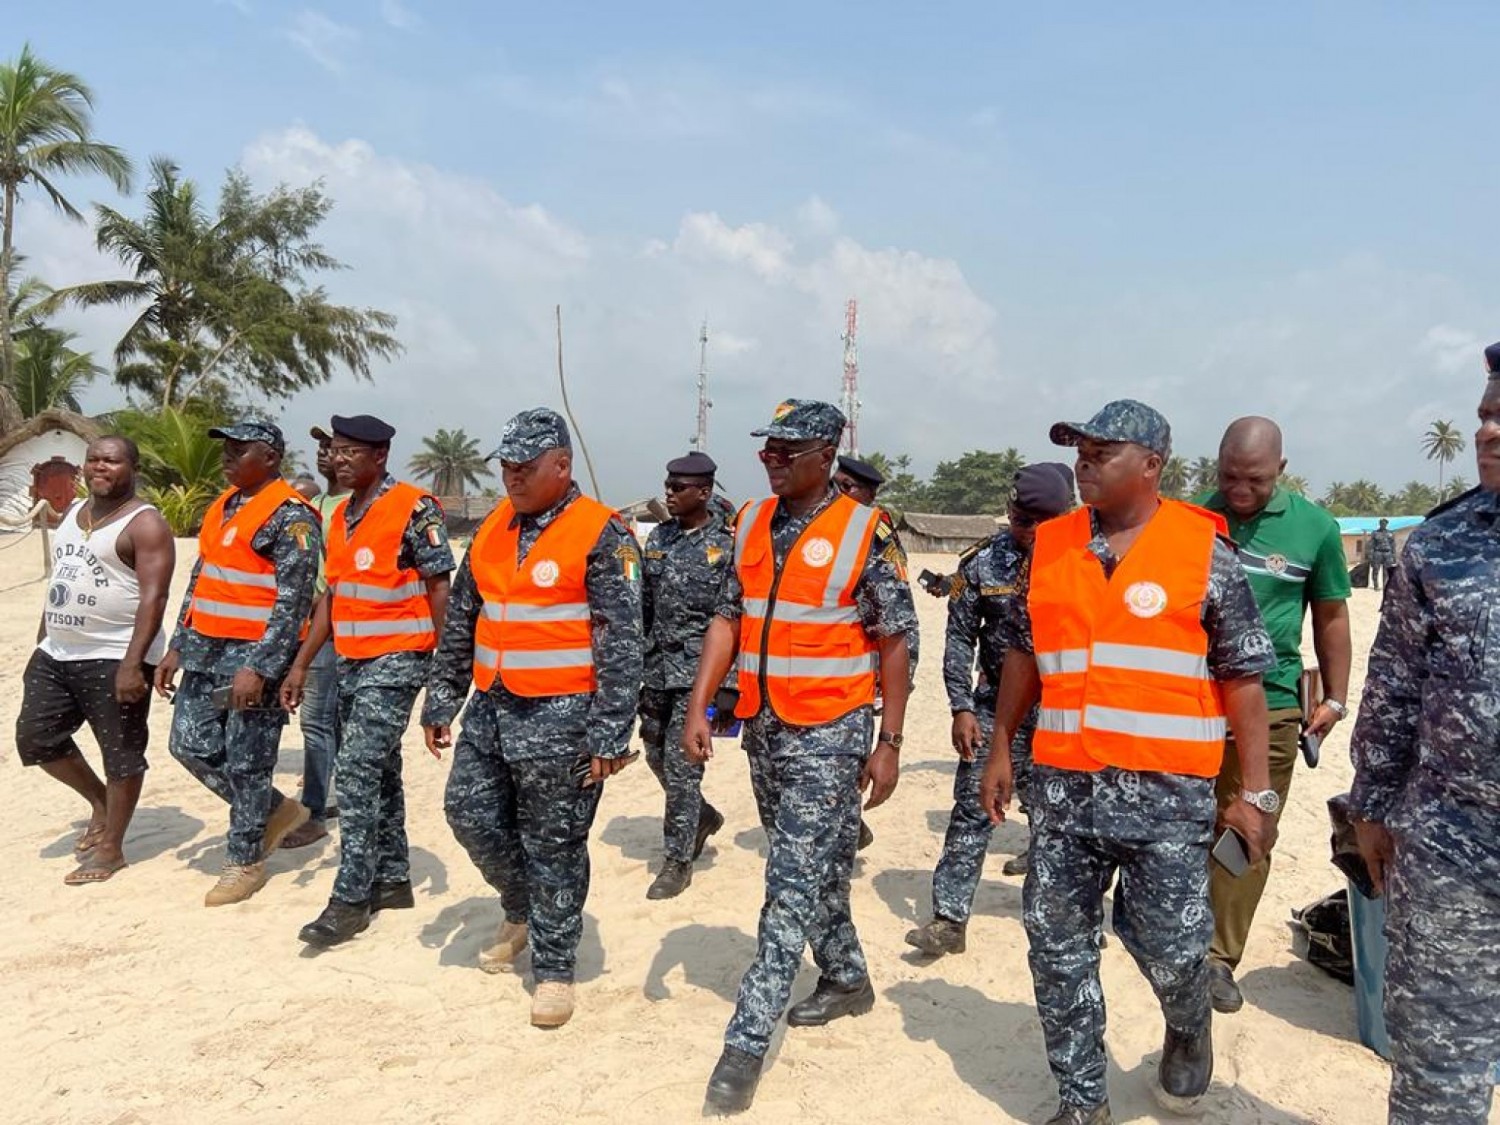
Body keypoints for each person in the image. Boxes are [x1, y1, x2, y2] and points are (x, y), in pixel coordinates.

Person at [978, 399, 1277, 1125]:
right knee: (1056, 947)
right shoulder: (1049, 546)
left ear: (1152, 466)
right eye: (1079, 450)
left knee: (1171, 948)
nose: (1084, 462)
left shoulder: (1204, 551)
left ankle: (1187, 1021)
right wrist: (998, 744)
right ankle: (1083, 1102)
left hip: (1167, 798)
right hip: (1064, 791)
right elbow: (1024, 651)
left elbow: (1244, 679)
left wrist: (1257, 795)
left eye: (1101, 451)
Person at [681, 399, 917, 1115]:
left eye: (787, 450)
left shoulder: (865, 530)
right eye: (767, 450)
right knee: (815, 868)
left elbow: (897, 638)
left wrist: (890, 741)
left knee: (788, 881)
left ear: (827, 454)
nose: (772, 460)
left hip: (833, 729)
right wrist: (699, 702)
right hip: (765, 725)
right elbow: (730, 616)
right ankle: (846, 975)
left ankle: (747, 1038)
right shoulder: (749, 521)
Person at [423, 408, 643, 1028]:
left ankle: (553, 969)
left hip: (565, 716)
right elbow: (464, 616)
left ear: (561, 465)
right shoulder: (494, 526)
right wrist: (443, 698)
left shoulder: (604, 534)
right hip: (492, 707)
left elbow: (623, 642)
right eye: (506, 468)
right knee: (467, 813)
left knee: (556, 845)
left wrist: (609, 732)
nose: (512, 479)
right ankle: (521, 906)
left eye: (525, 468)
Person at [1349, 351, 1500, 1125]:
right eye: (1481, 413)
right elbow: (1395, 687)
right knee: (1439, 1070)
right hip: (1454, 847)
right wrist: (1371, 804)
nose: (1488, 430)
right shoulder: (1440, 545)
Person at [1195, 417, 1352, 1013]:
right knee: (1185, 819)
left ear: (1281, 471)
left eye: (1254, 480)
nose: (1238, 490)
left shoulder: (1315, 528)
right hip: (1188, 704)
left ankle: (1217, 956)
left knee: (1248, 825)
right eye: (1228, 476)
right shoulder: (1186, 518)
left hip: (1276, 705)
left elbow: (1332, 617)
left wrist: (1334, 698)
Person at [282, 415, 453, 946]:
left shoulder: (414, 508)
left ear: (379, 456)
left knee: (354, 772)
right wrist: (302, 662)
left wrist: (445, 674)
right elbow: (332, 597)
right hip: (352, 661)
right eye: (334, 451)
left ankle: (351, 898)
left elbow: (439, 589)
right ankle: (394, 877)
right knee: (380, 771)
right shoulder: (340, 517)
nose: (337, 459)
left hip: (399, 660)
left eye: (350, 451)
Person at [905, 463, 1074, 956]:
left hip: (1066, 710)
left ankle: (1062, 922)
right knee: (973, 810)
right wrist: (961, 707)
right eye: (1024, 520)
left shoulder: (1090, 562)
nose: (1034, 532)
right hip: (996, 704)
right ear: (1009, 511)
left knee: (1060, 819)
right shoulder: (980, 565)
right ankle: (949, 919)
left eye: (1047, 522)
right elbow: (958, 639)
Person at [154, 421, 322, 907]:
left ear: (269, 457)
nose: (227, 457)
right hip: (205, 650)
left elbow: (293, 603)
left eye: (239, 449)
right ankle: (276, 810)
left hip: (252, 658)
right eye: (225, 448)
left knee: (249, 761)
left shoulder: (292, 517)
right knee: (188, 743)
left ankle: (245, 861)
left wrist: (263, 667)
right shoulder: (223, 507)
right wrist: (178, 644)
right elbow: (202, 577)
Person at [16, 436, 175, 885]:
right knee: (37, 739)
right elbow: (62, 579)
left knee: (121, 753)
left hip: (113, 654)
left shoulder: (146, 524)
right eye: (93, 460)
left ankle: (112, 849)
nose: (100, 467)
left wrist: (133, 663)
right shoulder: (72, 513)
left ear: (133, 467)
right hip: (57, 652)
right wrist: (43, 637)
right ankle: (101, 802)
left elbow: (154, 598)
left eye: (112, 460)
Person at [638, 450, 732, 900]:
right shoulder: (659, 537)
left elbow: (736, 620)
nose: (669, 493)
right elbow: (645, 605)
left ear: (705, 491)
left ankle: (677, 860)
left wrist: (727, 688)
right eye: (667, 485)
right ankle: (702, 816)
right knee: (654, 755)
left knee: (682, 767)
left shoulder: (729, 543)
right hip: (657, 668)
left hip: (700, 674)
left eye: (679, 488)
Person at [833, 451, 917, 851]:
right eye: (835, 485)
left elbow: (900, 619)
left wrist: (899, 677)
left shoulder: (876, 532)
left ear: (867, 494)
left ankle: (847, 829)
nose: (838, 493)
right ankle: (848, 825)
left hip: (862, 673)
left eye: (846, 487)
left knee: (847, 767)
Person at [281, 427, 352, 849]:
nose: (327, 455)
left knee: (316, 720)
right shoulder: (315, 504)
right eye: (323, 447)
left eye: (336, 448)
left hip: (334, 625)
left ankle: (313, 809)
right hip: (308, 625)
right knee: (329, 719)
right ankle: (331, 792)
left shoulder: (353, 508)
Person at [1367, 518, 1397, 591]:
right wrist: (1370, 556)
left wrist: (1394, 556)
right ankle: (1376, 586)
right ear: (1380, 524)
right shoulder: (1375, 533)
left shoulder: (1390, 533)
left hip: (1388, 553)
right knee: (1376, 570)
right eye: (1382, 523)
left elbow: (1393, 545)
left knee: (1386, 571)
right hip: (1378, 553)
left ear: (1386, 524)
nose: (1383, 525)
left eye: (1384, 523)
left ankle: (1385, 586)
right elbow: (1371, 545)